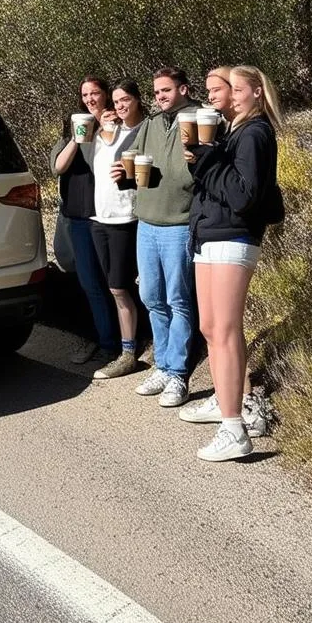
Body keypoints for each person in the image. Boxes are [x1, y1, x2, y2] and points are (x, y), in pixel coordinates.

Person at [182, 65, 284, 461]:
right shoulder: (233, 132)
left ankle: (234, 428)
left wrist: (209, 161)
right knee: (212, 328)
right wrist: (203, 160)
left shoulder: (255, 134)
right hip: (210, 235)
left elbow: (245, 196)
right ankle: (230, 407)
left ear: (258, 92)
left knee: (223, 331)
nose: (233, 95)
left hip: (232, 237)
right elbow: (219, 183)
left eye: (238, 89)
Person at [111, 67, 199, 407]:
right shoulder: (150, 124)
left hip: (179, 223)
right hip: (147, 222)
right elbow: (136, 170)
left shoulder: (198, 118)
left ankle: (178, 373)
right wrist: (124, 175)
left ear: (183, 89)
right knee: (151, 296)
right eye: (156, 92)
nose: (159, 96)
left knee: (179, 299)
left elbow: (204, 168)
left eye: (165, 90)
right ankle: (162, 365)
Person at [51, 76, 119, 364]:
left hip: (109, 216)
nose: (90, 98)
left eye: (95, 93)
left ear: (106, 95)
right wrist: (78, 138)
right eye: (85, 94)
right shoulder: (72, 130)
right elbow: (57, 167)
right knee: (89, 282)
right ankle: (105, 341)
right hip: (79, 218)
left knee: (115, 282)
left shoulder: (115, 126)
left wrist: (106, 129)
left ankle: (124, 341)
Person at [90, 79, 146, 380]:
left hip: (127, 217)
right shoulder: (104, 133)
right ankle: (127, 347)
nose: (120, 105)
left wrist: (133, 175)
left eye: (126, 99)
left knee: (121, 287)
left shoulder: (144, 131)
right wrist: (100, 126)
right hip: (100, 218)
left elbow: (151, 173)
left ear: (137, 100)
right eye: (116, 101)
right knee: (114, 288)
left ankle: (129, 353)